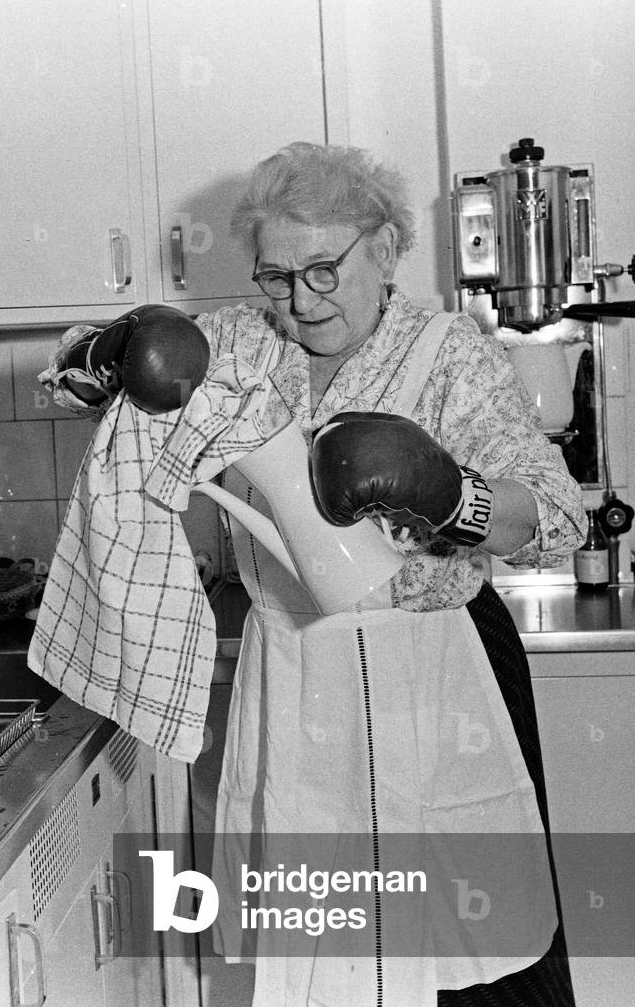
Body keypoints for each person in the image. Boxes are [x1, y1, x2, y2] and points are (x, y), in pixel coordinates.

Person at [37, 142, 585, 1006]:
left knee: (468, 951)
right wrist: (112, 347)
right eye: (277, 277)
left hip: (432, 668)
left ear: (386, 248)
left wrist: (452, 496)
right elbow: (66, 378)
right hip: (290, 668)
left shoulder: (451, 354)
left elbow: (556, 518)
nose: (301, 299)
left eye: (324, 268)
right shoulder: (240, 346)